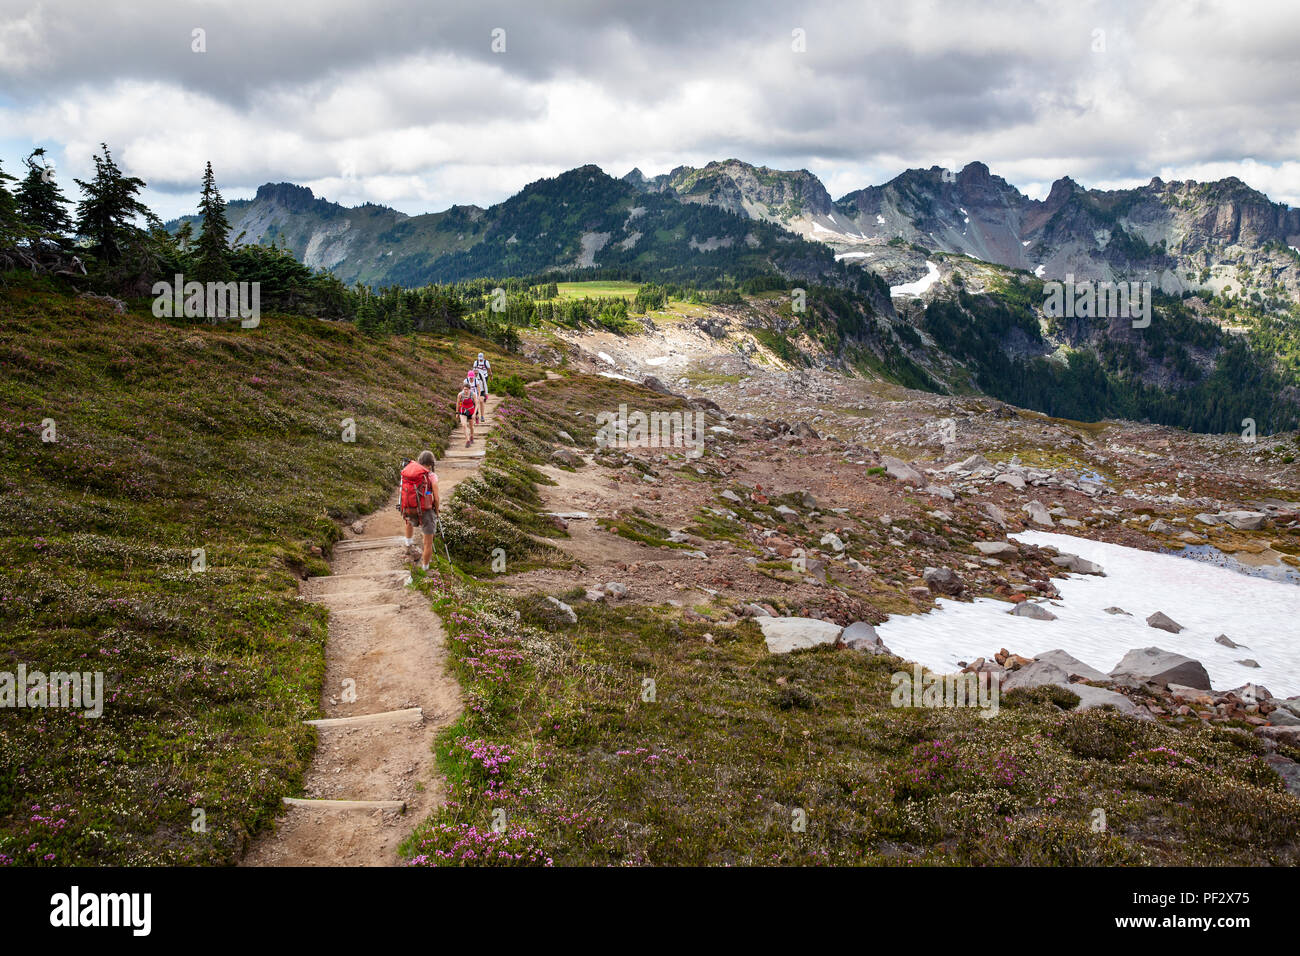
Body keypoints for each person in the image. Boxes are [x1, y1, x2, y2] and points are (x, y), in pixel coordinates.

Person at [399, 451, 441, 570]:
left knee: (409, 520)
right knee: (428, 542)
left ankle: (408, 543)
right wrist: (437, 511)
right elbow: (436, 498)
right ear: (431, 463)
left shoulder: (409, 471)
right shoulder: (431, 475)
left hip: (409, 506)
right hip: (425, 509)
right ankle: (425, 568)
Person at [472, 352, 492, 422]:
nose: (476, 370)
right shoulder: (472, 374)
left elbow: (485, 384)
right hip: (475, 391)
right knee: (475, 402)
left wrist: (486, 393)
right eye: (475, 369)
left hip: (484, 380)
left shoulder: (486, 362)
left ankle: (482, 416)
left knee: (481, 401)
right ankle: (477, 415)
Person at [456, 381, 477, 446]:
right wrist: (457, 412)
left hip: (471, 410)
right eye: (464, 389)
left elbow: (476, 404)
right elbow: (458, 403)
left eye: (467, 389)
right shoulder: (460, 395)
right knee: (464, 425)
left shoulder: (473, 394)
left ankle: (472, 436)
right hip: (463, 410)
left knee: (471, 427)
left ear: (469, 389)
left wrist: (474, 414)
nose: (465, 391)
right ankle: (467, 441)